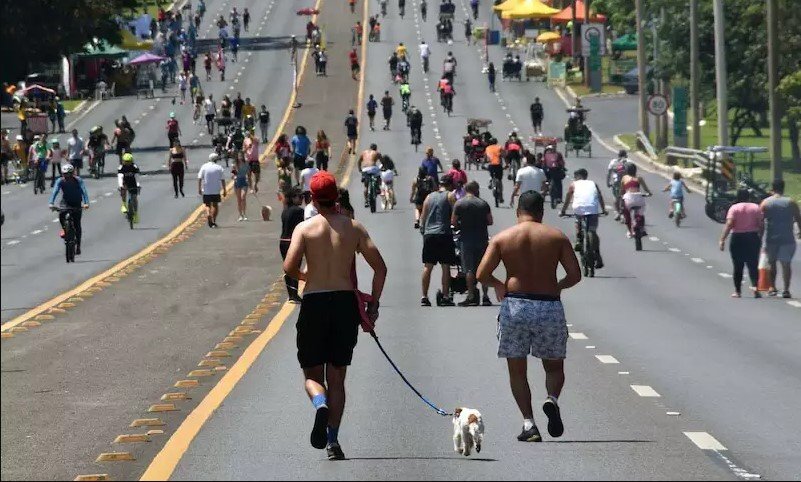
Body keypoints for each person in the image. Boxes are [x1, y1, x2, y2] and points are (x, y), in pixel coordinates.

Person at [282, 171, 387, 461]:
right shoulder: (354, 228)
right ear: (337, 198)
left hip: (315, 301)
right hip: (344, 303)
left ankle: (319, 404)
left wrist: (307, 275)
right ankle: (333, 441)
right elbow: (380, 268)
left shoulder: (305, 229)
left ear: (313, 199)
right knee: (338, 377)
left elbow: (289, 267)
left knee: (312, 374)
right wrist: (373, 304)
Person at [477, 191, 581, 442]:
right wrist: (558, 285)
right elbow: (575, 274)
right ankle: (552, 399)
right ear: (541, 212)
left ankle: (529, 424)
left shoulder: (503, 238)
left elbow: (481, 274)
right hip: (548, 306)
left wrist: (499, 285)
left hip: (516, 306)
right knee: (554, 365)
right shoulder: (556, 237)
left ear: (517, 211)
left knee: (517, 369)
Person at [452, 181, 494, 306]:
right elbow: (490, 221)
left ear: (466, 189)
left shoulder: (460, 203)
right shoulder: (483, 203)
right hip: (482, 239)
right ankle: (485, 296)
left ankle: (471, 296)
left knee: (469, 269)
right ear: (476, 190)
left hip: (466, 240)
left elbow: (453, 222)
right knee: (484, 268)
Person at [419, 174, 458, 306]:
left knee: (428, 266)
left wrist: (424, 231)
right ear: (450, 185)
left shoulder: (429, 197)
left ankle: (424, 296)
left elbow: (423, 217)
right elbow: (455, 213)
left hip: (429, 234)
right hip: (444, 233)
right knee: (445, 266)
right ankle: (446, 296)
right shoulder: (450, 196)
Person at [760, 179, 801, 298]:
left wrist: (759, 235)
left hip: (771, 238)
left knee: (772, 263)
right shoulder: (791, 202)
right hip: (787, 238)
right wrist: (800, 231)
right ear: (783, 188)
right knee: (786, 264)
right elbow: (798, 218)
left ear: (772, 188)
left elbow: (760, 221)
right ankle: (786, 289)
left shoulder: (765, 203)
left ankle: (772, 287)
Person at [720, 189, 763, 298]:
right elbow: (761, 224)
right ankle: (755, 288)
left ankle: (737, 291)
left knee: (738, 265)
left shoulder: (734, 208)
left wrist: (722, 239)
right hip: (752, 237)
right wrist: (760, 237)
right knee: (753, 264)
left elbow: (729, 224)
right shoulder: (756, 207)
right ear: (749, 197)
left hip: (738, 238)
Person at [561, 168, 607, 268]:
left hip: (579, 208)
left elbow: (568, 198)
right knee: (593, 231)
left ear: (577, 176)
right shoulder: (593, 183)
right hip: (593, 209)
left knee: (578, 221)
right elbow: (600, 197)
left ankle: (578, 239)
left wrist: (563, 211)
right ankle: (598, 255)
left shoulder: (574, 184)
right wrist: (604, 210)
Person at [49, 163, 90, 255]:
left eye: (68, 174)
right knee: (61, 214)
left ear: (72, 174)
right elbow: (55, 191)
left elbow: (83, 191)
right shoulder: (60, 181)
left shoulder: (78, 180)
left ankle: (78, 246)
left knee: (77, 224)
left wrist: (86, 203)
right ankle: (64, 228)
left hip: (76, 202)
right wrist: (51, 203)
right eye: (64, 174)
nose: (66, 177)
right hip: (65, 202)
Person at [280, 187, 305, 303]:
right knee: (295, 267)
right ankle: (295, 294)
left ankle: (291, 294)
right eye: (299, 197)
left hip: (283, 240)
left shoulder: (285, 210)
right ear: (293, 198)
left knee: (287, 267)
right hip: (292, 241)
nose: (302, 199)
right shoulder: (299, 211)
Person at [620, 163, 652, 238]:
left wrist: (621, 196)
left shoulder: (624, 178)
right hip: (638, 198)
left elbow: (622, 190)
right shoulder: (639, 178)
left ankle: (629, 231)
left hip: (628, 199)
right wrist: (649, 193)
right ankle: (642, 229)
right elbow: (646, 189)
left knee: (626, 215)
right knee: (640, 213)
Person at [198, 153, 227, 227]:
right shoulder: (219, 167)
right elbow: (222, 180)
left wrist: (199, 188)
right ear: (216, 160)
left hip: (207, 190)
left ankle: (208, 214)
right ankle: (213, 220)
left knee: (207, 205)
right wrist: (224, 190)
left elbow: (200, 178)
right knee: (215, 205)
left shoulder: (204, 166)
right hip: (216, 190)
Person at [118, 153, 141, 222]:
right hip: (125, 182)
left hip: (133, 183)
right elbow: (120, 177)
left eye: (129, 161)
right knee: (123, 190)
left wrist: (138, 185)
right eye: (126, 161)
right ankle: (124, 204)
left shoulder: (134, 167)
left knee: (134, 198)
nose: (127, 163)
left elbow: (137, 177)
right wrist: (120, 185)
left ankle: (136, 214)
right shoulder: (121, 167)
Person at [606, 150, 629, 220]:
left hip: (616, 182)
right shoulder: (628, 162)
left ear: (618, 155)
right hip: (626, 182)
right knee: (624, 197)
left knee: (616, 198)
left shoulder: (613, 162)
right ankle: (622, 213)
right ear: (626, 155)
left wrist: (608, 182)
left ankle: (617, 213)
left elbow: (609, 173)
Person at [232, 152, 250, 221]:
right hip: (237, 182)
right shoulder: (235, 165)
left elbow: (249, 174)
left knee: (243, 197)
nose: (240, 157)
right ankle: (240, 215)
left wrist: (251, 187)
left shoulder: (246, 164)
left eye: (241, 156)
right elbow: (233, 174)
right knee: (239, 200)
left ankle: (244, 214)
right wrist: (234, 176)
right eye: (239, 156)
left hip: (244, 181)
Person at [485, 137, 504, 202]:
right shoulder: (500, 147)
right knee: (500, 180)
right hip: (498, 166)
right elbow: (504, 155)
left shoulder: (487, 148)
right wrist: (507, 164)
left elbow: (485, 158)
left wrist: (483, 164)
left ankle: (491, 180)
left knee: (491, 173)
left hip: (491, 166)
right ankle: (501, 196)